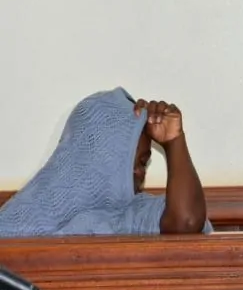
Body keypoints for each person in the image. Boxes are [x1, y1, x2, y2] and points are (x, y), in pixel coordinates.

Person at [0, 87, 212, 237]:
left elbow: (187, 221)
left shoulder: (127, 217)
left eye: (143, 163)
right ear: (98, 159)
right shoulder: (15, 223)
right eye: (133, 162)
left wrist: (174, 141)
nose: (139, 173)